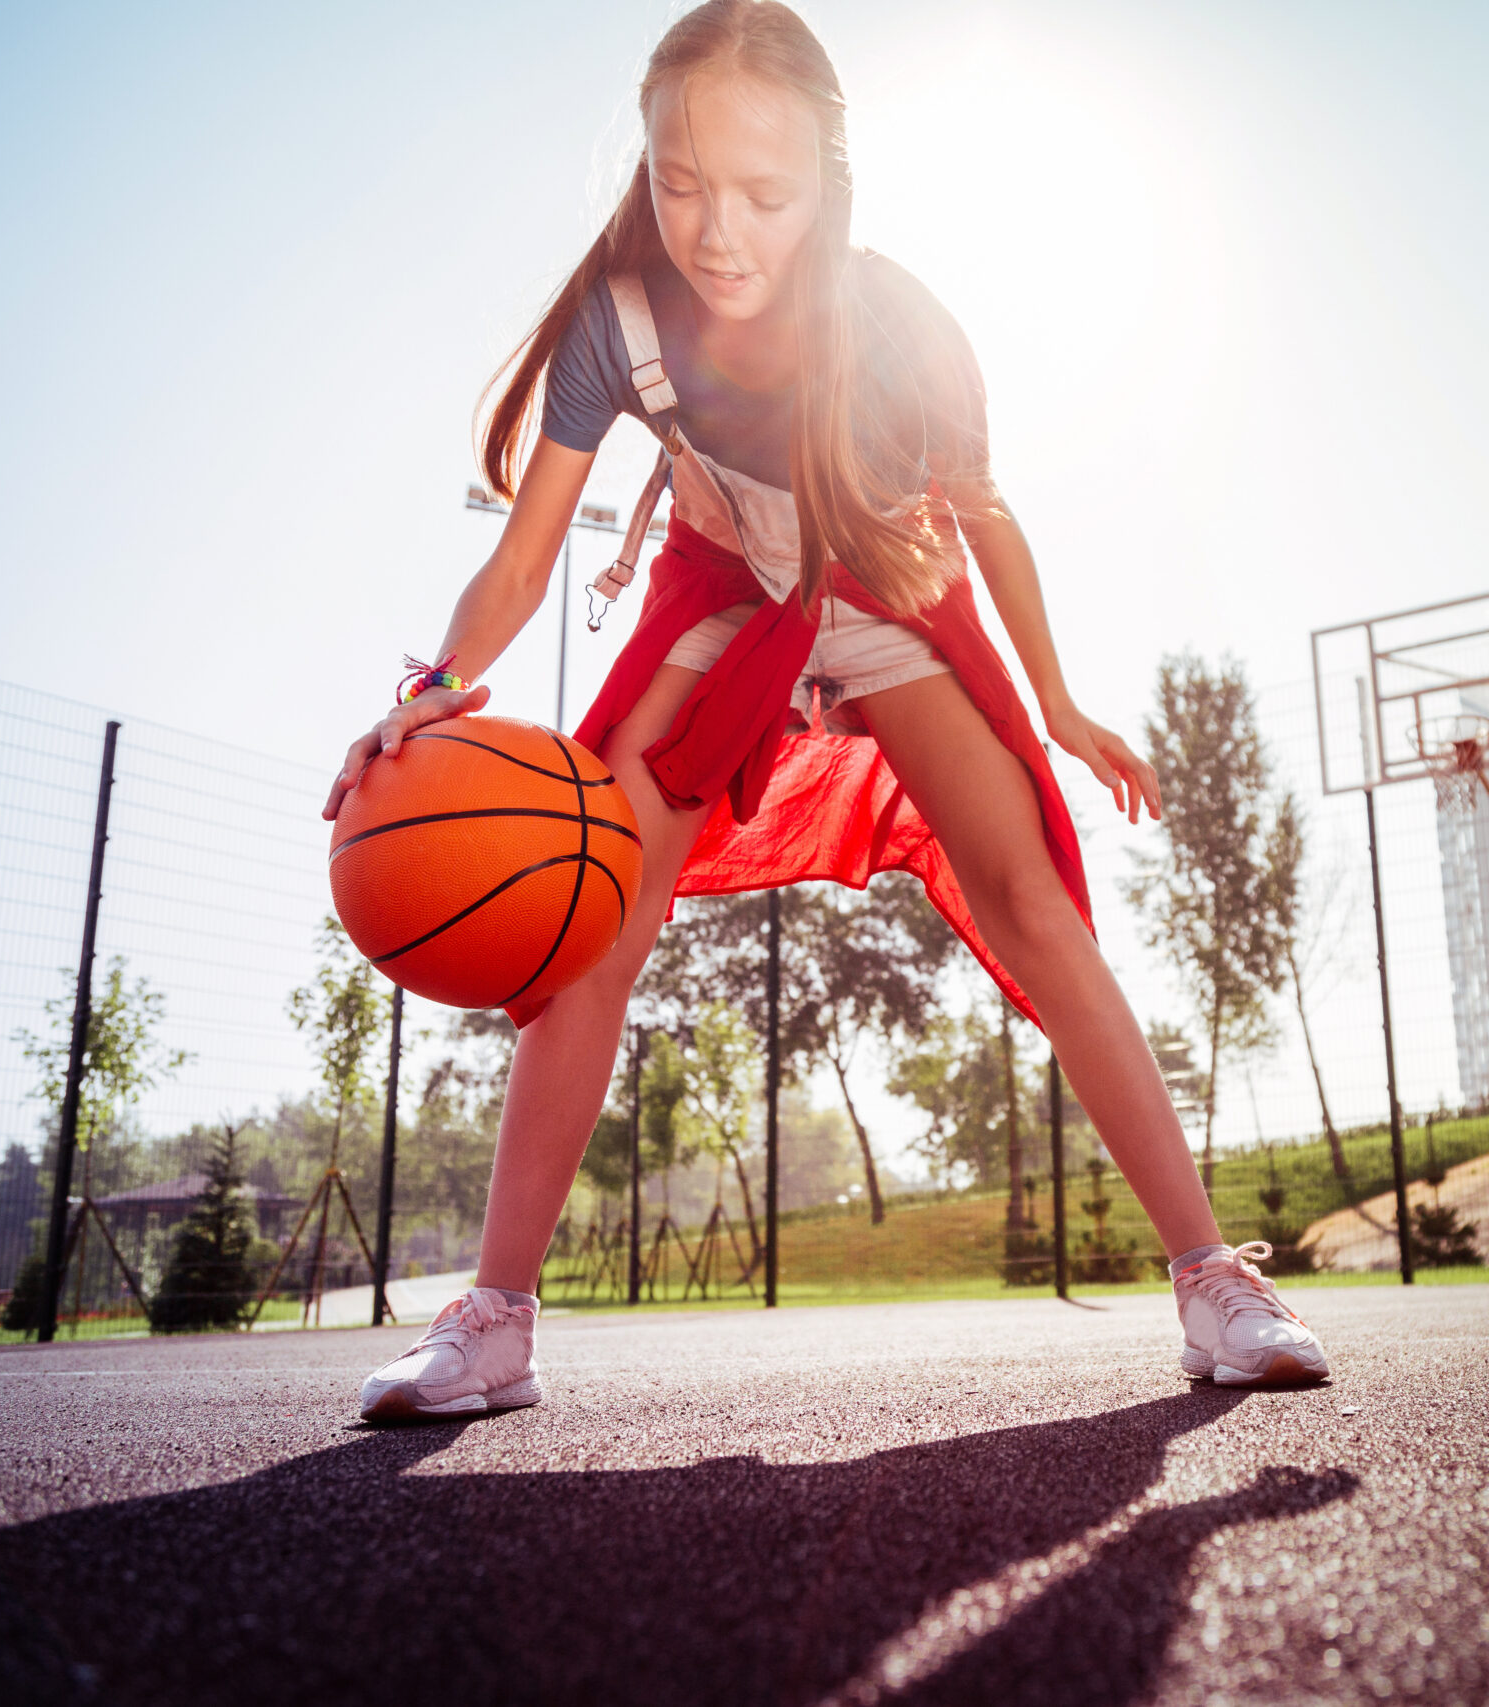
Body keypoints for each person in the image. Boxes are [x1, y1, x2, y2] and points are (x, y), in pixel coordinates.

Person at [325, 0, 1328, 1422]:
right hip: (721, 588)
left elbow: (984, 523)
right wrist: (426, 692)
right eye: (682, 184)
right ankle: (494, 1324)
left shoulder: (901, 325)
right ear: (647, 167)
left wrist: (1057, 701)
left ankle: (1215, 1282)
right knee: (591, 909)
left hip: (887, 582)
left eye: (763, 194)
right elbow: (523, 558)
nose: (717, 229)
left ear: (832, 182)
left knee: (1034, 902)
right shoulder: (621, 320)